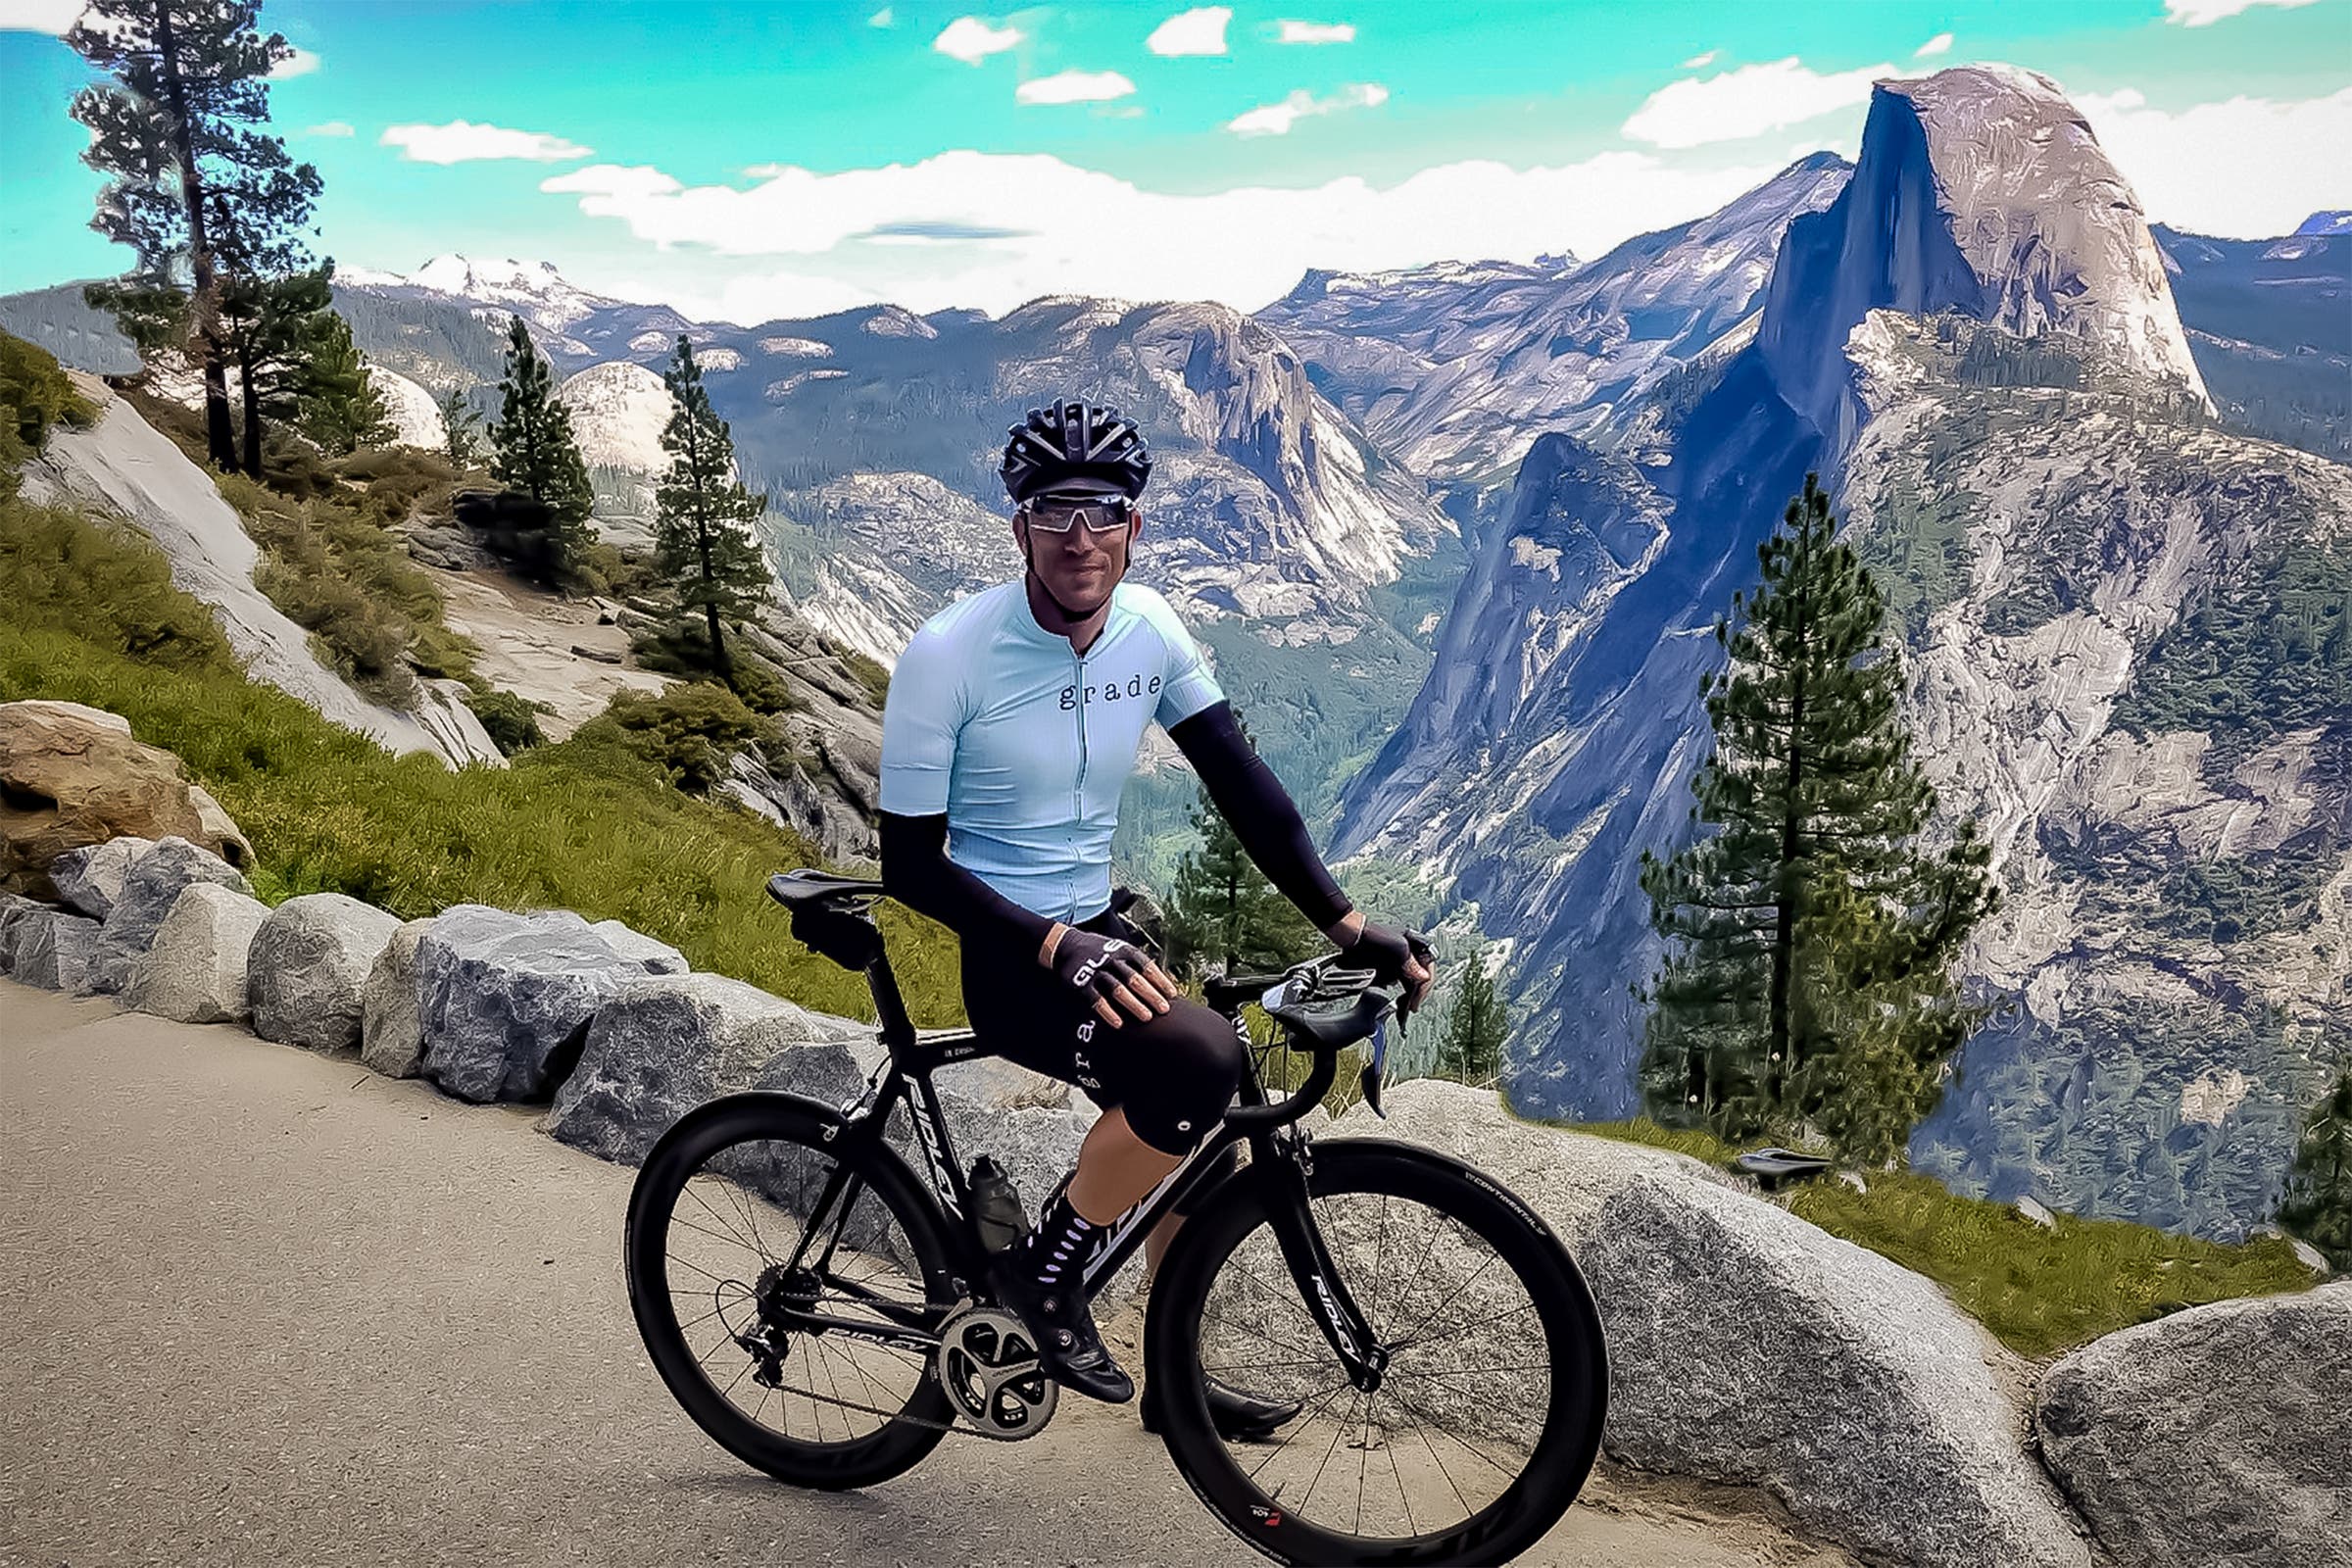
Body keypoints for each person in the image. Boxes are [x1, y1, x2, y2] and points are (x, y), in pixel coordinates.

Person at [875, 397, 1435, 1439]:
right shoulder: (949, 654)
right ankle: (1046, 1279)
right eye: (1054, 511)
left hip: (1093, 930)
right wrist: (1054, 942)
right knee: (1198, 1062)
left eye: (1102, 510)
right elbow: (908, 863)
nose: (1079, 536)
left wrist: (1351, 924)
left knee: (1207, 1129)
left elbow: (1245, 787)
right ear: (1019, 530)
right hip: (1010, 952)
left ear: (1135, 527)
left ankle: (1173, 1378)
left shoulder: (1149, 629)